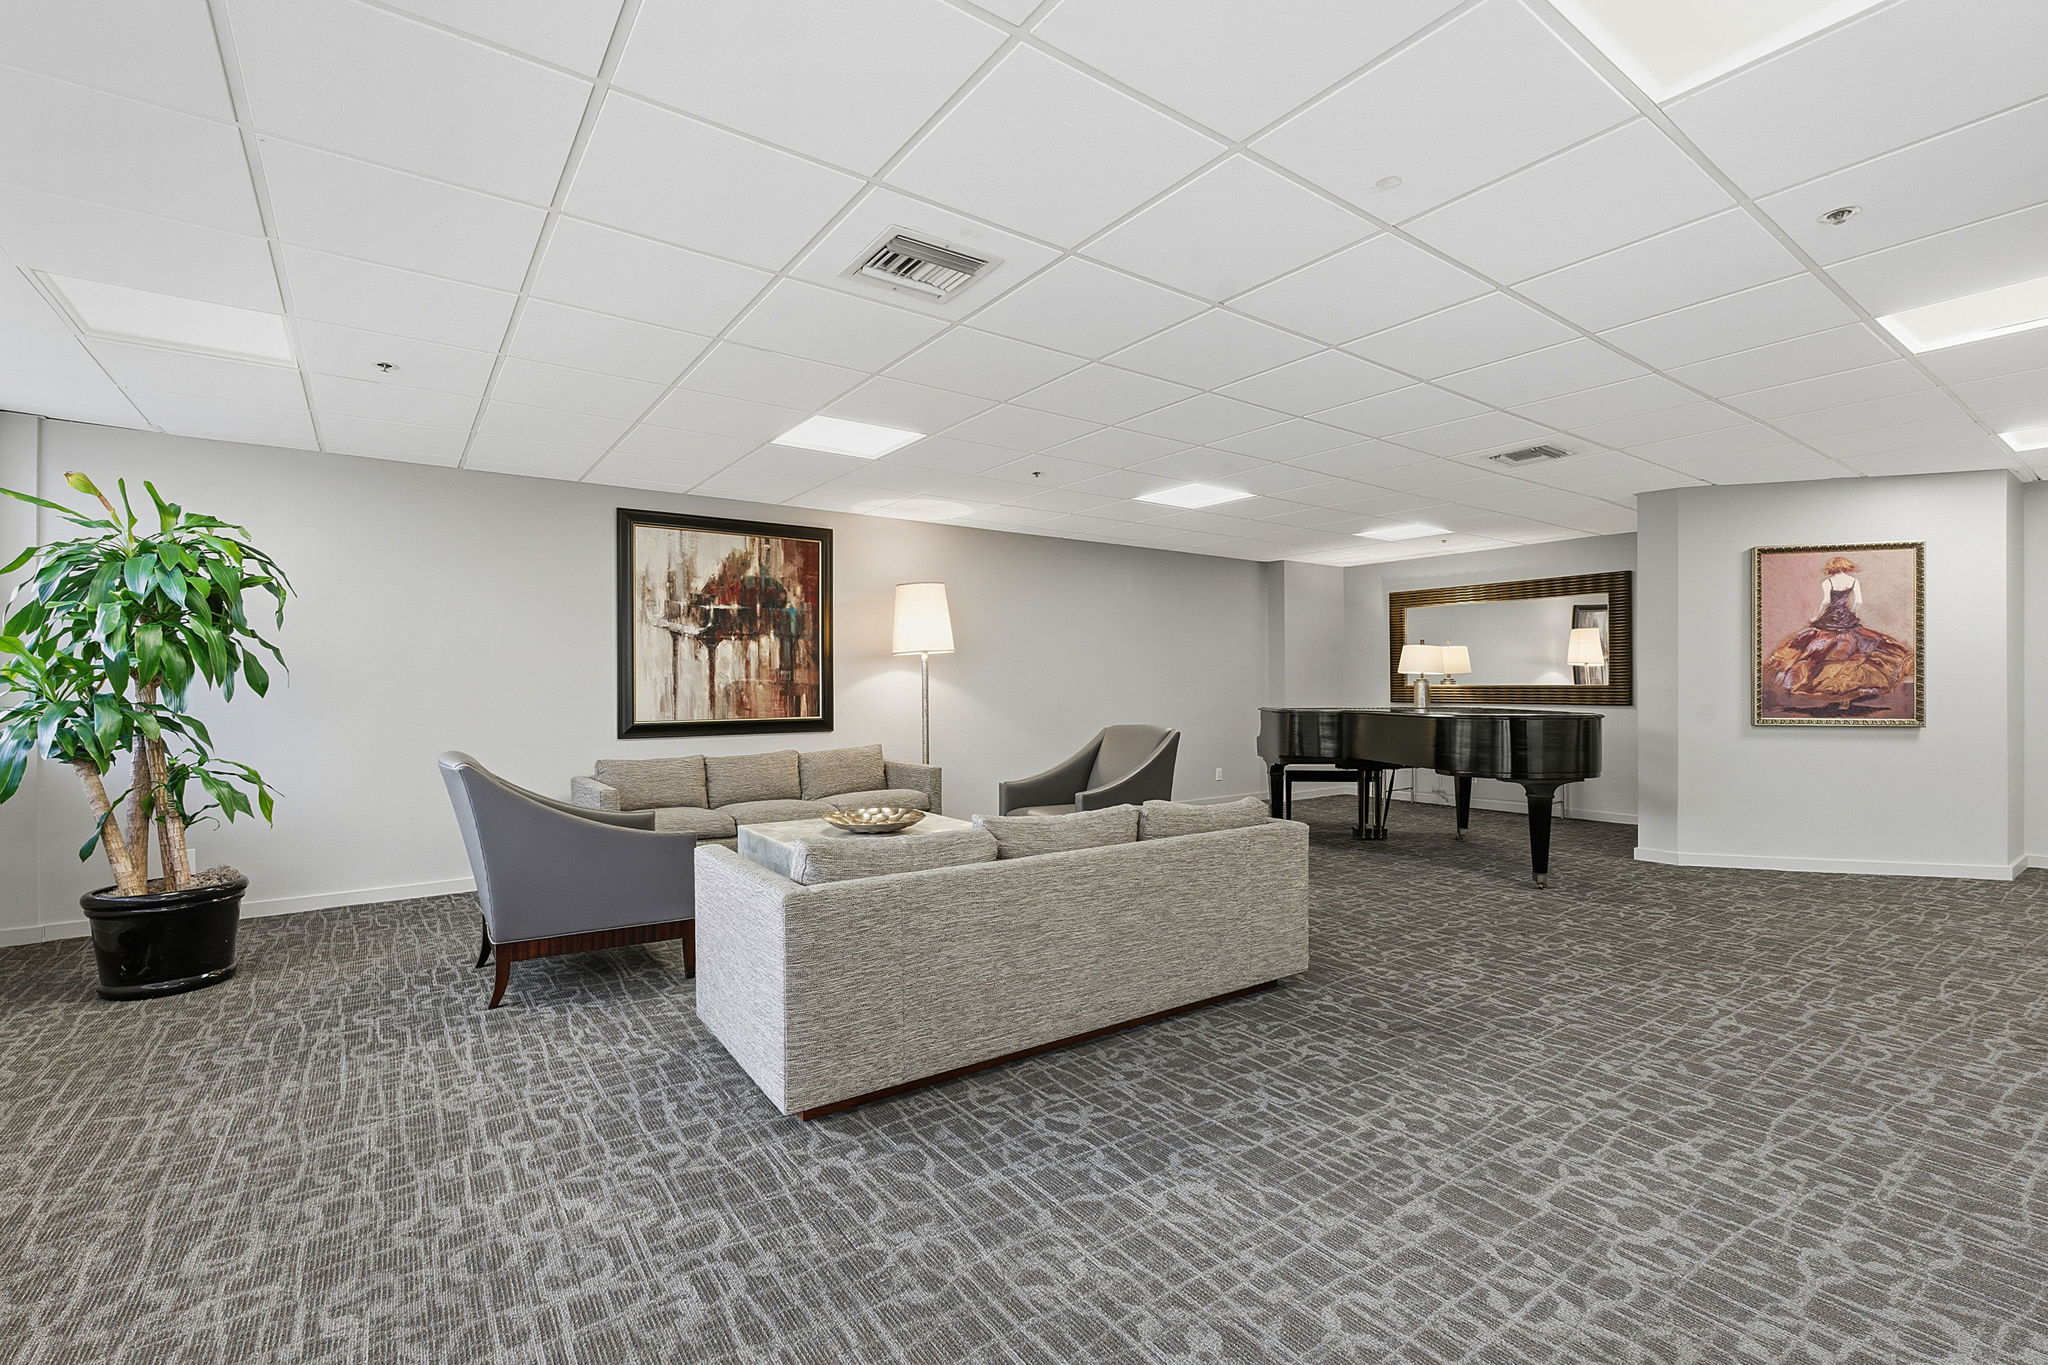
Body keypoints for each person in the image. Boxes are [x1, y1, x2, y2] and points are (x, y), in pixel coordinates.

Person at [1764, 555, 1913, 710]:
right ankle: (1845, 696)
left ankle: (1829, 691)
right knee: (1850, 653)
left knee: (1823, 652)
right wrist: (1852, 613)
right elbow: (1858, 601)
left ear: (1832, 568)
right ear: (1845, 566)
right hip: (1847, 617)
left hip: (1830, 618)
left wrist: (1817, 616)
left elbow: (1826, 601)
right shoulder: (1853, 581)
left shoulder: (1827, 582)